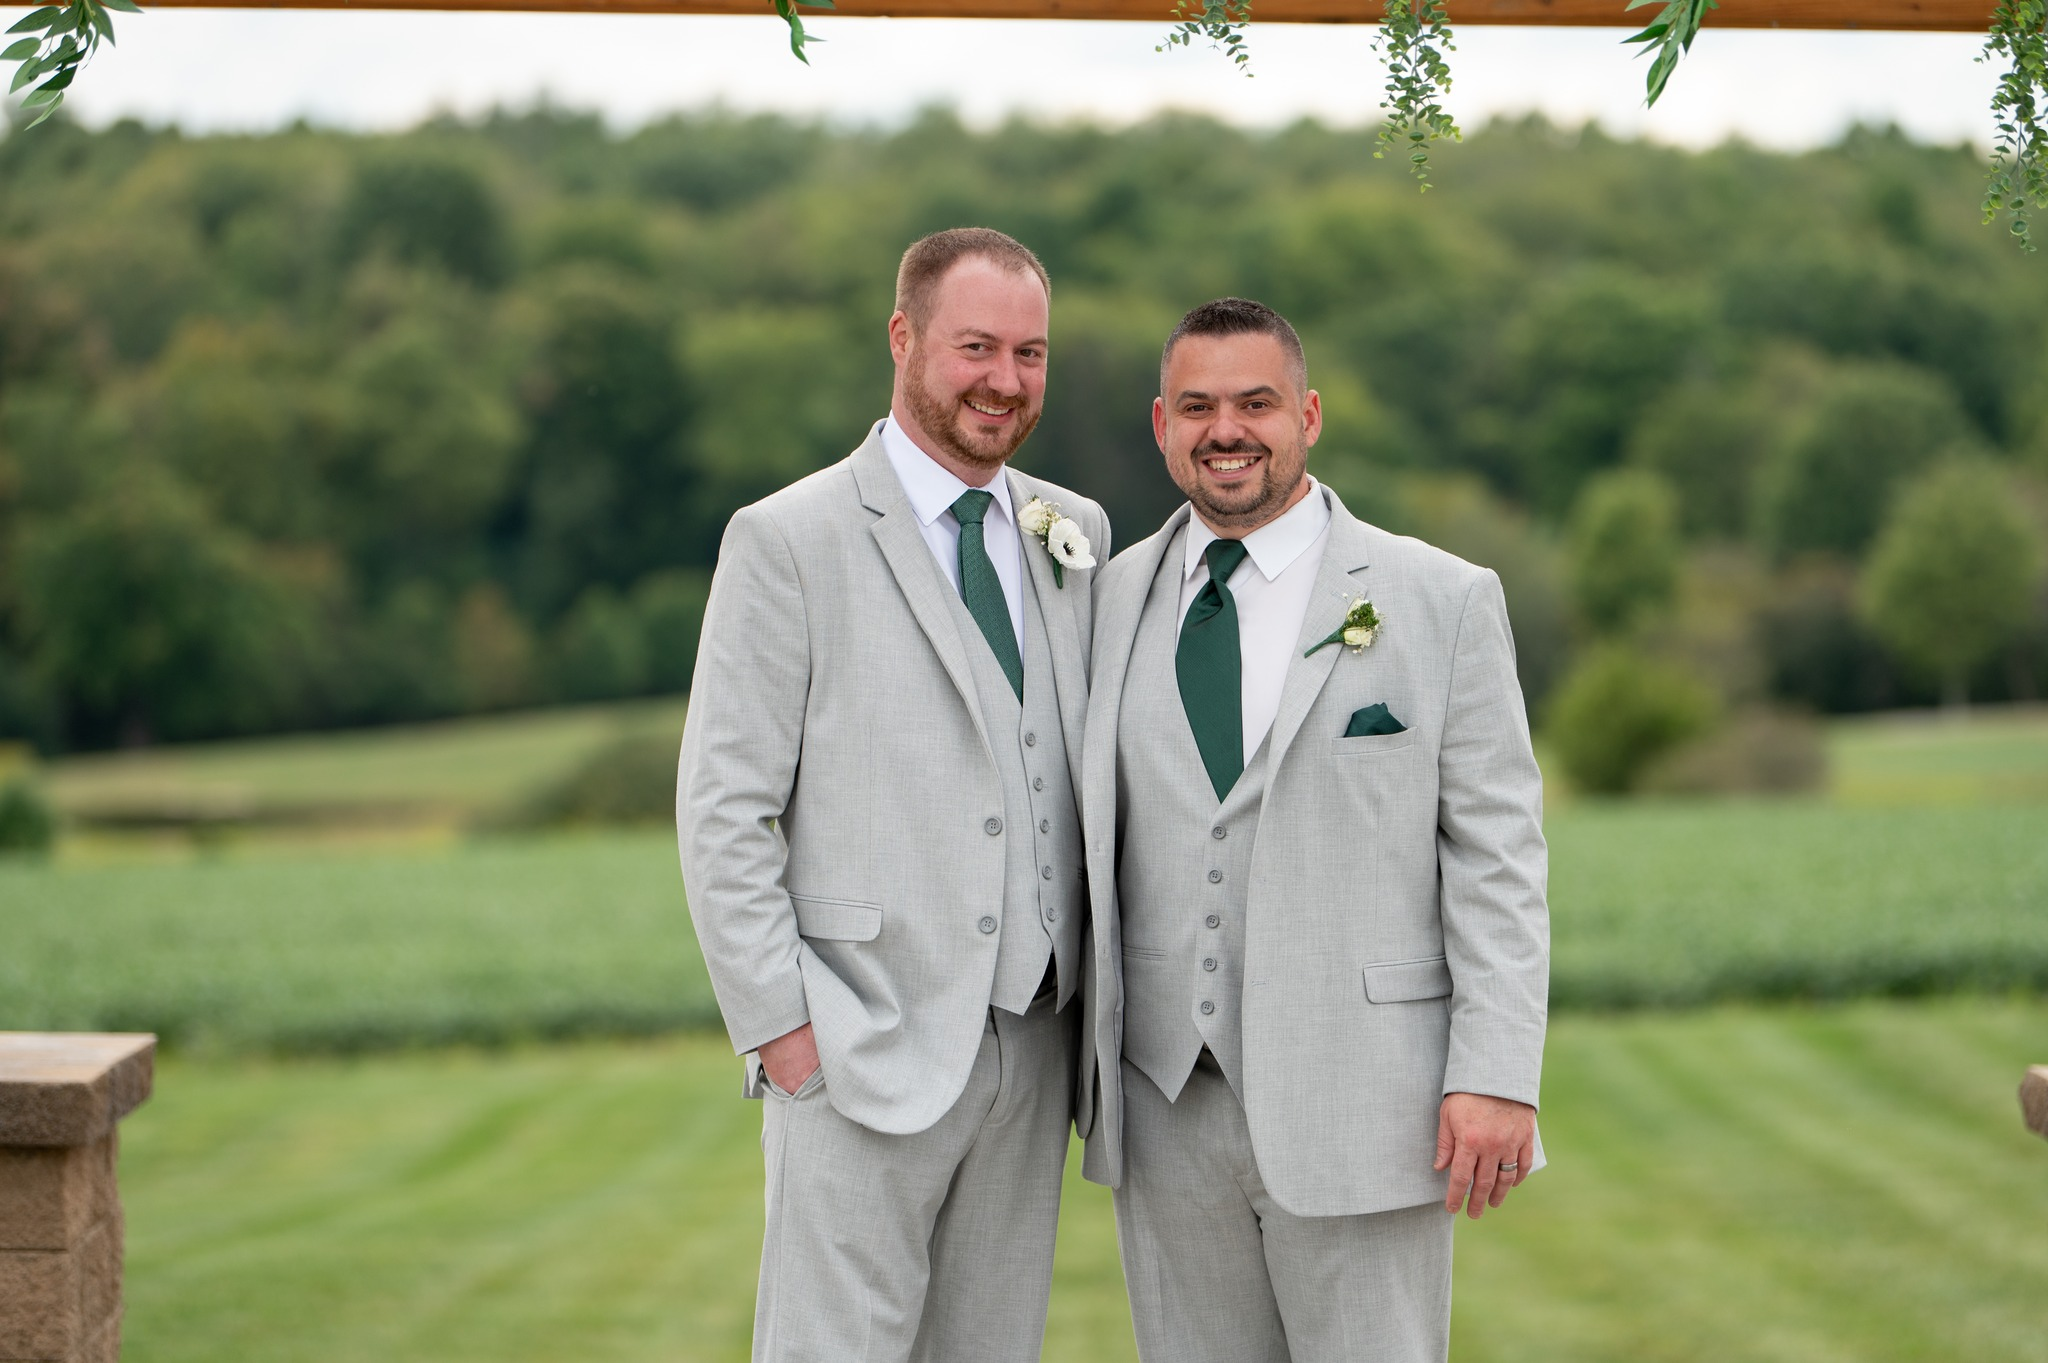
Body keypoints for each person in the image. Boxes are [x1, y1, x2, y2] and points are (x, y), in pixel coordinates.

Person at [1077, 297, 1548, 1362]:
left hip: (1367, 1100)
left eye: (1256, 403)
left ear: (1309, 416)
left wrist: (1496, 1070)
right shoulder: (1102, 602)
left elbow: (1499, 859)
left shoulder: (1441, 599)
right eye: (1197, 406)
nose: (1225, 431)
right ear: (1160, 425)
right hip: (1162, 1108)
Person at [676, 227, 1110, 1363]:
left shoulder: (1074, 533)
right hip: (854, 1047)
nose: (1004, 379)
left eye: (1029, 353)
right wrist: (786, 1037)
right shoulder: (787, 539)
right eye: (976, 347)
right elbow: (723, 808)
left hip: (1032, 1051)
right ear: (903, 338)